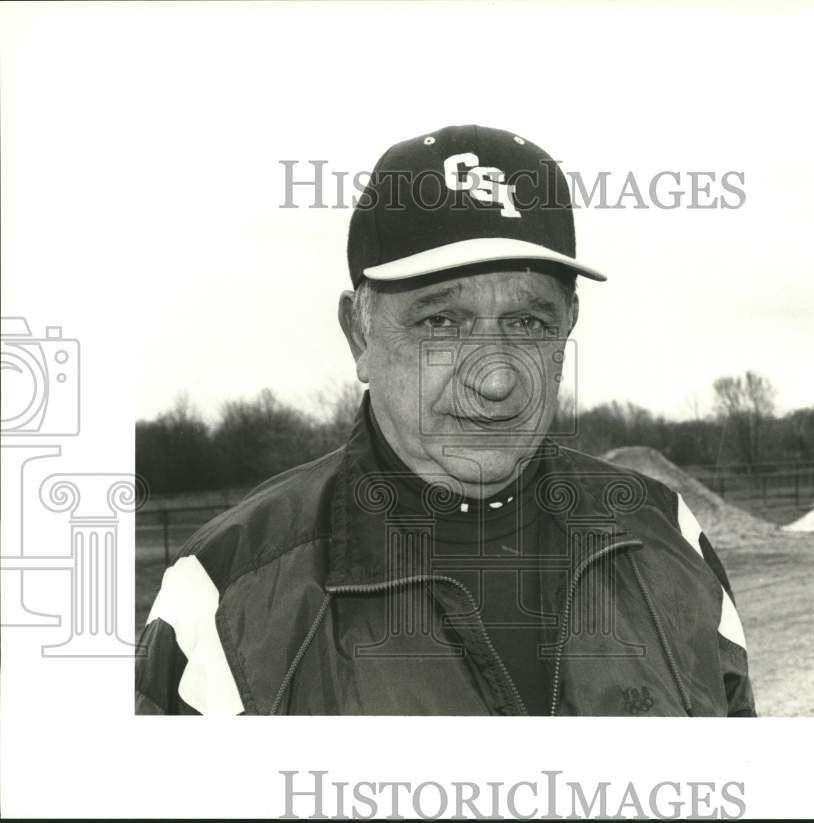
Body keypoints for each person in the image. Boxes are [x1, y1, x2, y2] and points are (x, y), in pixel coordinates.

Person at [135, 124, 756, 716]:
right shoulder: (226, 594)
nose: (496, 378)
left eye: (528, 323)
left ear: (568, 327)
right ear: (359, 334)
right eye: (441, 322)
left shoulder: (666, 536)